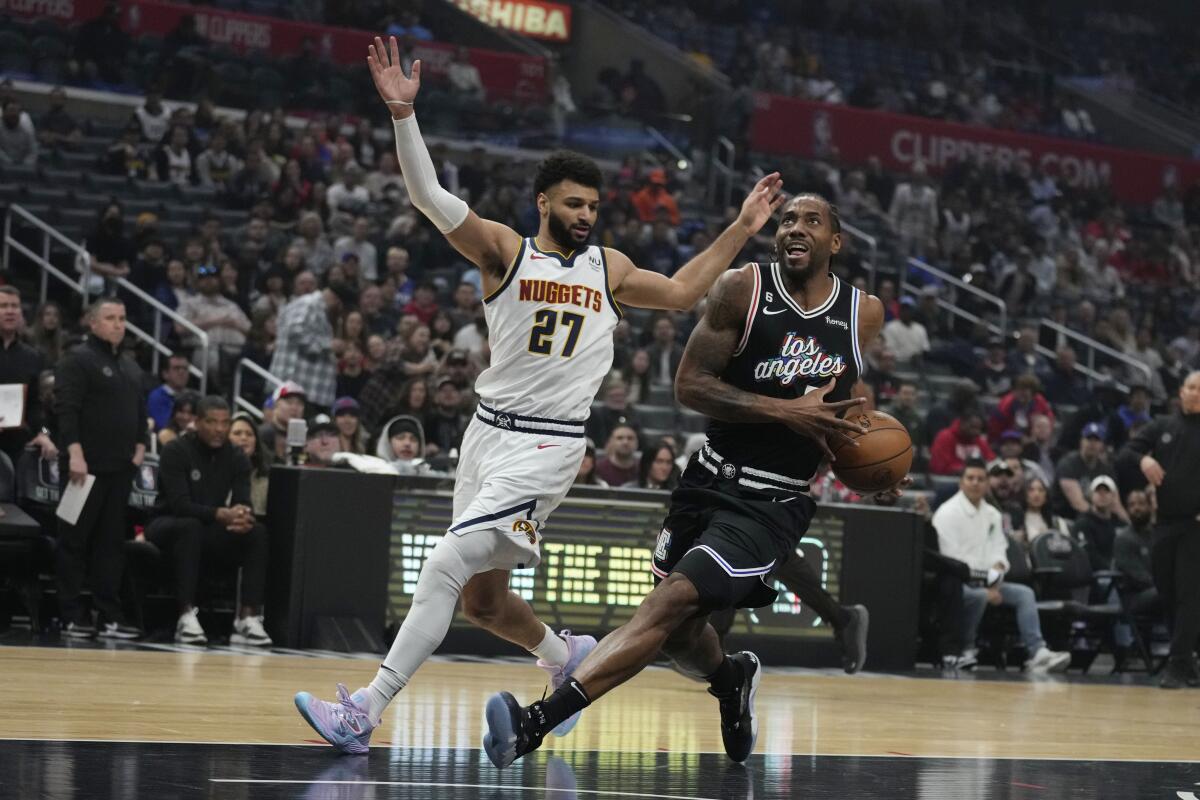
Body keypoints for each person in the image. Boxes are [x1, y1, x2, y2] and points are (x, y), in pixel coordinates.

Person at [294, 36, 787, 756]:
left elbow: (683, 293)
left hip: (547, 444)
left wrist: (742, 229)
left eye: (594, 205)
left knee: (443, 563)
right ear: (544, 202)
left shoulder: (608, 268)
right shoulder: (505, 251)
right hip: (486, 436)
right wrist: (404, 116)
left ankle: (366, 709)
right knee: (483, 601)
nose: (587, 214)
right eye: (575, 203)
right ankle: (564, 657)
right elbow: (428, 198)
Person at [482, 192, 891, 767]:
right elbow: (689, 385)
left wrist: (871, 466)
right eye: (788, 219)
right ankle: (731, 681)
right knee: (679, 637)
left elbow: (845, 409)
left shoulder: (861, 313)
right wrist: (782, 410)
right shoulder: (741, 290)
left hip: (771, 502)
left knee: (668, 602)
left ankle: (534, 724)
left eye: (812, 221)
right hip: (706, 483)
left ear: (836, 242)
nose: (795, 228)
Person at [54, 299, 148, 639]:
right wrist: (74, 453)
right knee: (74, 540)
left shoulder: (129, 365)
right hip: (84, 468)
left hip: (120, 469)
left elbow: (140, 411)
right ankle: (69, 614)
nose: (118, 324)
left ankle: (108, 615)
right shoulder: (77, 360)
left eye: (122, 318)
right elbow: (67, 410)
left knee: (111, 544)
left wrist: (141, 447)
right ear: (92, 323)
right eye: (110, 318)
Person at [147, 397, 271, 646]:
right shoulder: (176, 450)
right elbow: (180, 505)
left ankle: (247, 616)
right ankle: (185, 614)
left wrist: (242, 516)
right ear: (197, 422)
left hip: (209, 527)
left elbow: (242, 499)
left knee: (257, 532)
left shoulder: (236, 455)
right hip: (166, 523)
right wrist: (219, 514)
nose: (219, 429)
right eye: (212, 422)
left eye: (225, 423)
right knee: (190, 526)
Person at [934, 460, 1071, 674]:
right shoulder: (947, 512)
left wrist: (998, 570)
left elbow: (999, 548)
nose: (975, 483)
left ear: (987, 483)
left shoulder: (993, 515)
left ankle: (1037, 652)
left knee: (1024, 594)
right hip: (957, 582)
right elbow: (952, 559)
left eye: (980, 479)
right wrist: (985, 583)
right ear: (961, 483)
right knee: (978, 596)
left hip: (990, 581)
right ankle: (967, 649)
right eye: (970, 478)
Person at [1121, 371, 1200, 689]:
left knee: (1188, 594)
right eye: (1191, 387)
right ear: (1181, 391)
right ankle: (1189, 658)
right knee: (1166, 591)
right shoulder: (1163, 426)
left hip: (1195, 525)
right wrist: (1143, 461)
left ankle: (1179, 663)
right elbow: (1126, 452)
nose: (1195, 393)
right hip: (1164, 523)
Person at [270, 283, 352, 408]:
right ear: (336, 300)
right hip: (295, 387)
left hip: (311, 391)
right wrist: (327, 345)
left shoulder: (319, 310)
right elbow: (295, 331)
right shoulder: (308, 304)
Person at [0, 287, 53, 469]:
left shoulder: (33, 357)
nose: (10, 311)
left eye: (15, 306)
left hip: (18, 447)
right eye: (3, 305)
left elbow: (37, 407)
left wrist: (44, 433)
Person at [228, 412, 270, 515]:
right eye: (237, 433)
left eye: (249, 434)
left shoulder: (267, 479)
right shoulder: (214, 472)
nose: (244, 438)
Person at [147, 353, 192, 433]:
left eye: (185, 368)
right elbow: (163, 426)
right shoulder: (156, 397)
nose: (181, 372)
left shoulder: (193, 396)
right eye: (176, 368)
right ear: (165, 374)